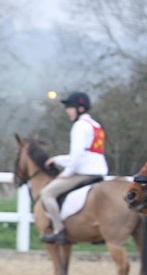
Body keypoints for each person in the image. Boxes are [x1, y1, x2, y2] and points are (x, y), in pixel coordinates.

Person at [39, 91, 108, 245]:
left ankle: (59, 231)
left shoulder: (79, 126)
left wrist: (66, 173)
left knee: (47, 193)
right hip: (99, 171)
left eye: (70, 107)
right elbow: (85, 154)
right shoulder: (96, 126)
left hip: (84, 173)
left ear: (80, 108)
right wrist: (57, 159)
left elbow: (77, 156)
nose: (67, 111)